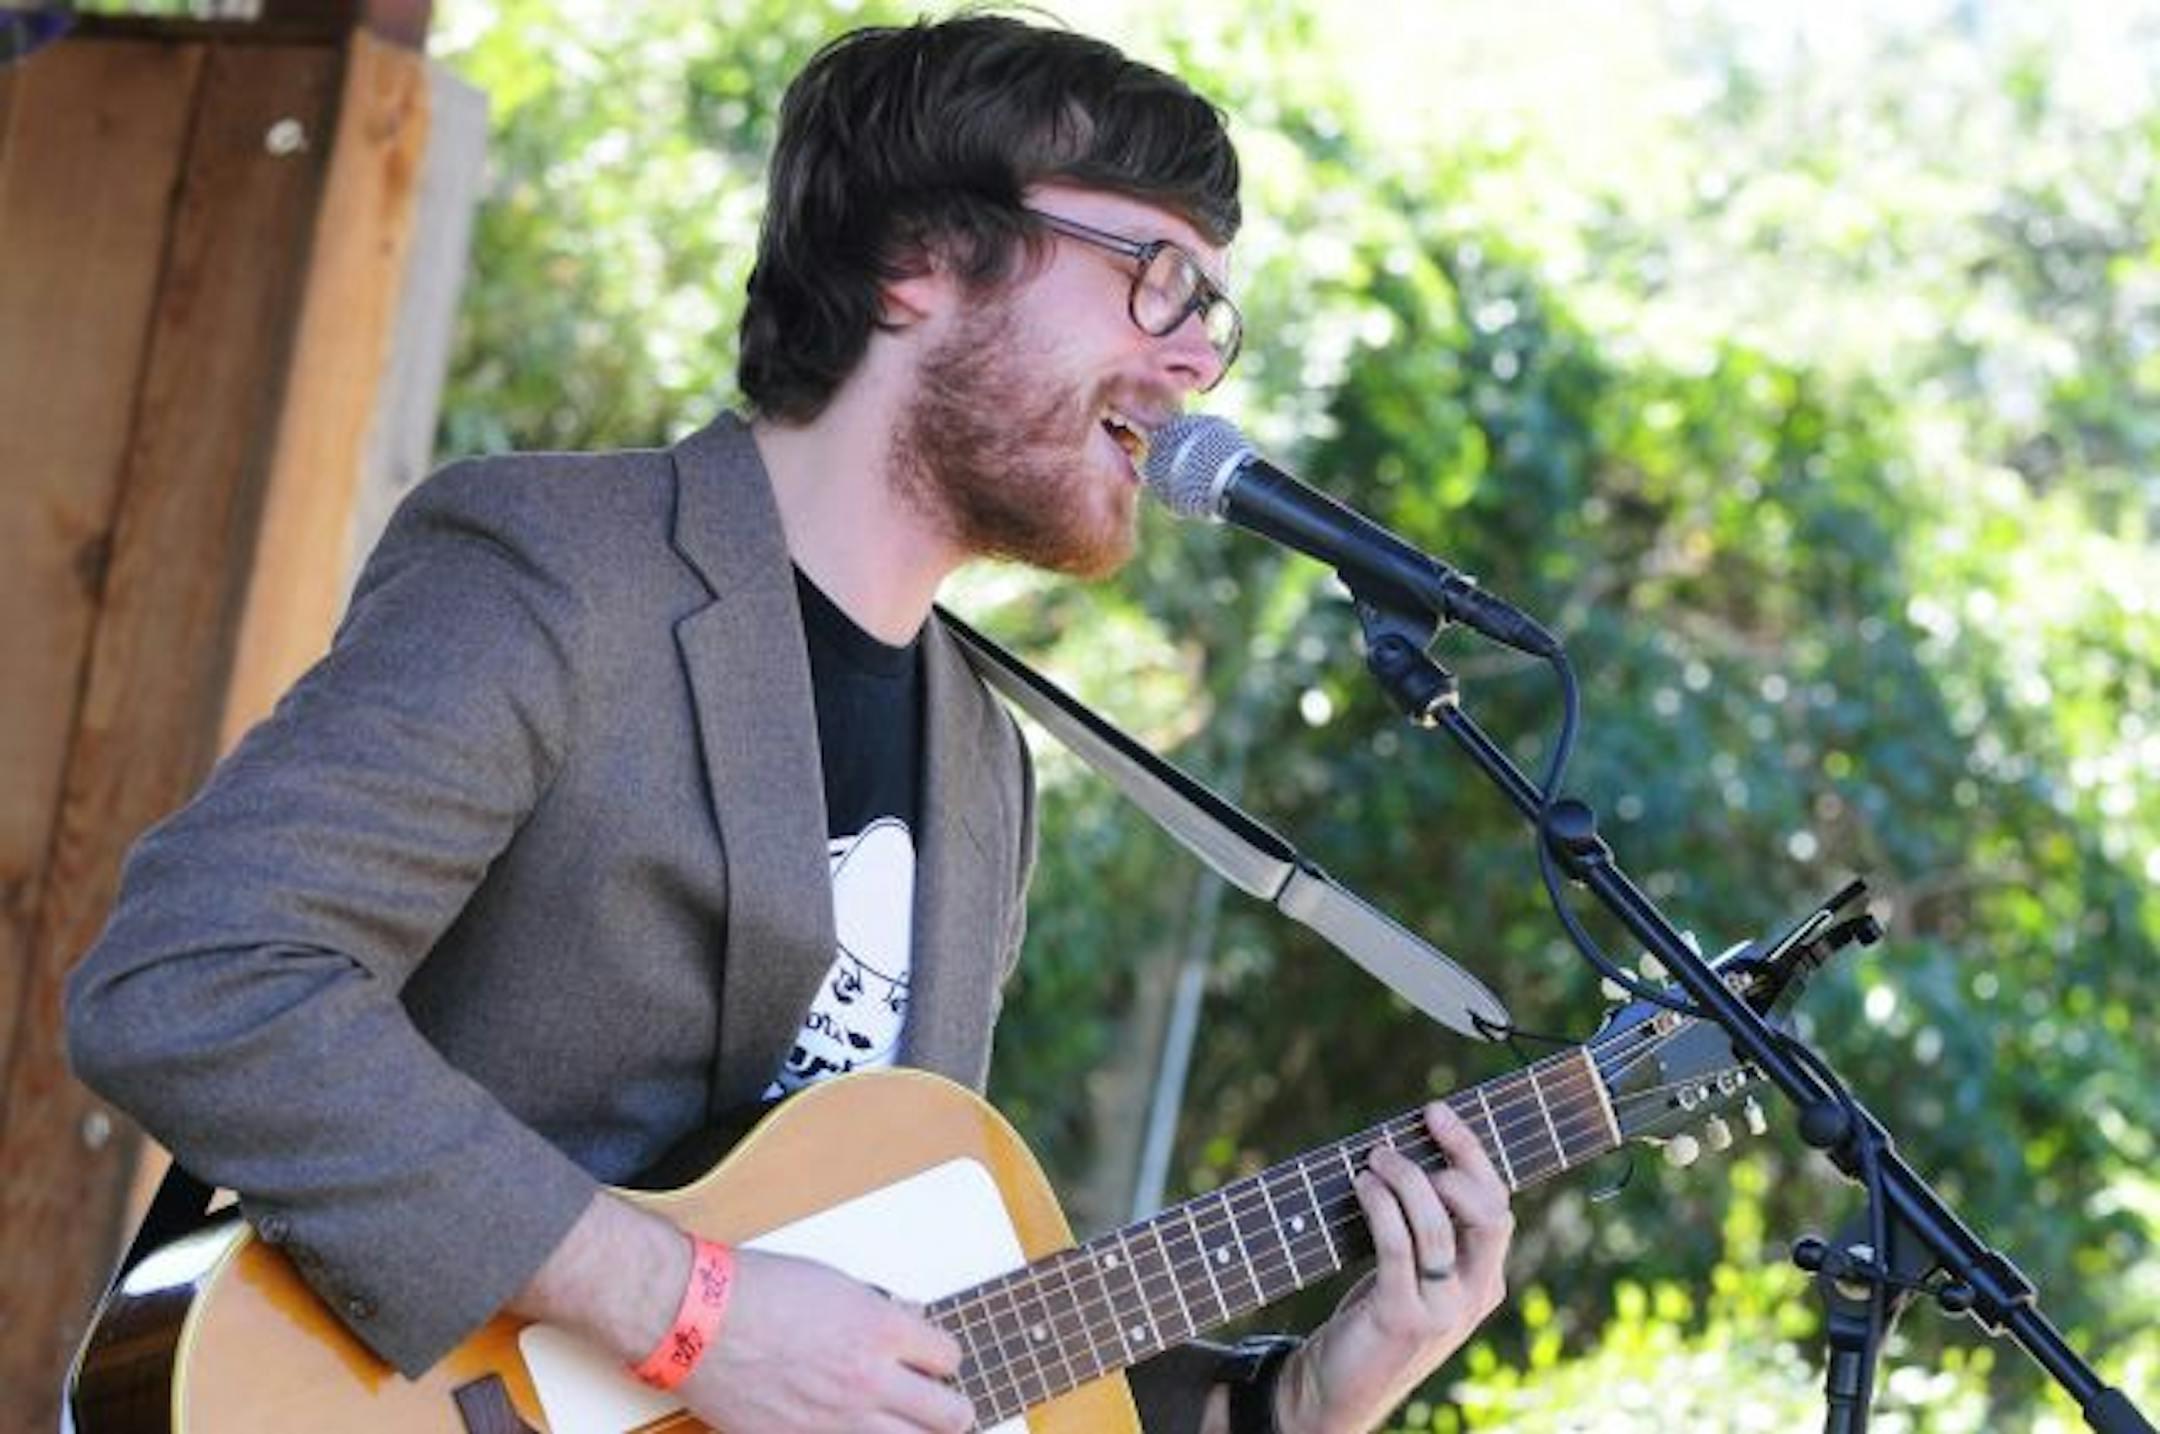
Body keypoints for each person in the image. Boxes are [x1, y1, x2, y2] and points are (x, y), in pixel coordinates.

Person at [66, 14, 1513, 1432]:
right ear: (916, 263)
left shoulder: (984, 761)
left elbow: (910, 1323)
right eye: (1155, 275)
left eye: (1213, 309)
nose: (1199, 360)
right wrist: (686, 1309)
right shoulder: (567, 570)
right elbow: (200, 978)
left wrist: (1300, 1396)